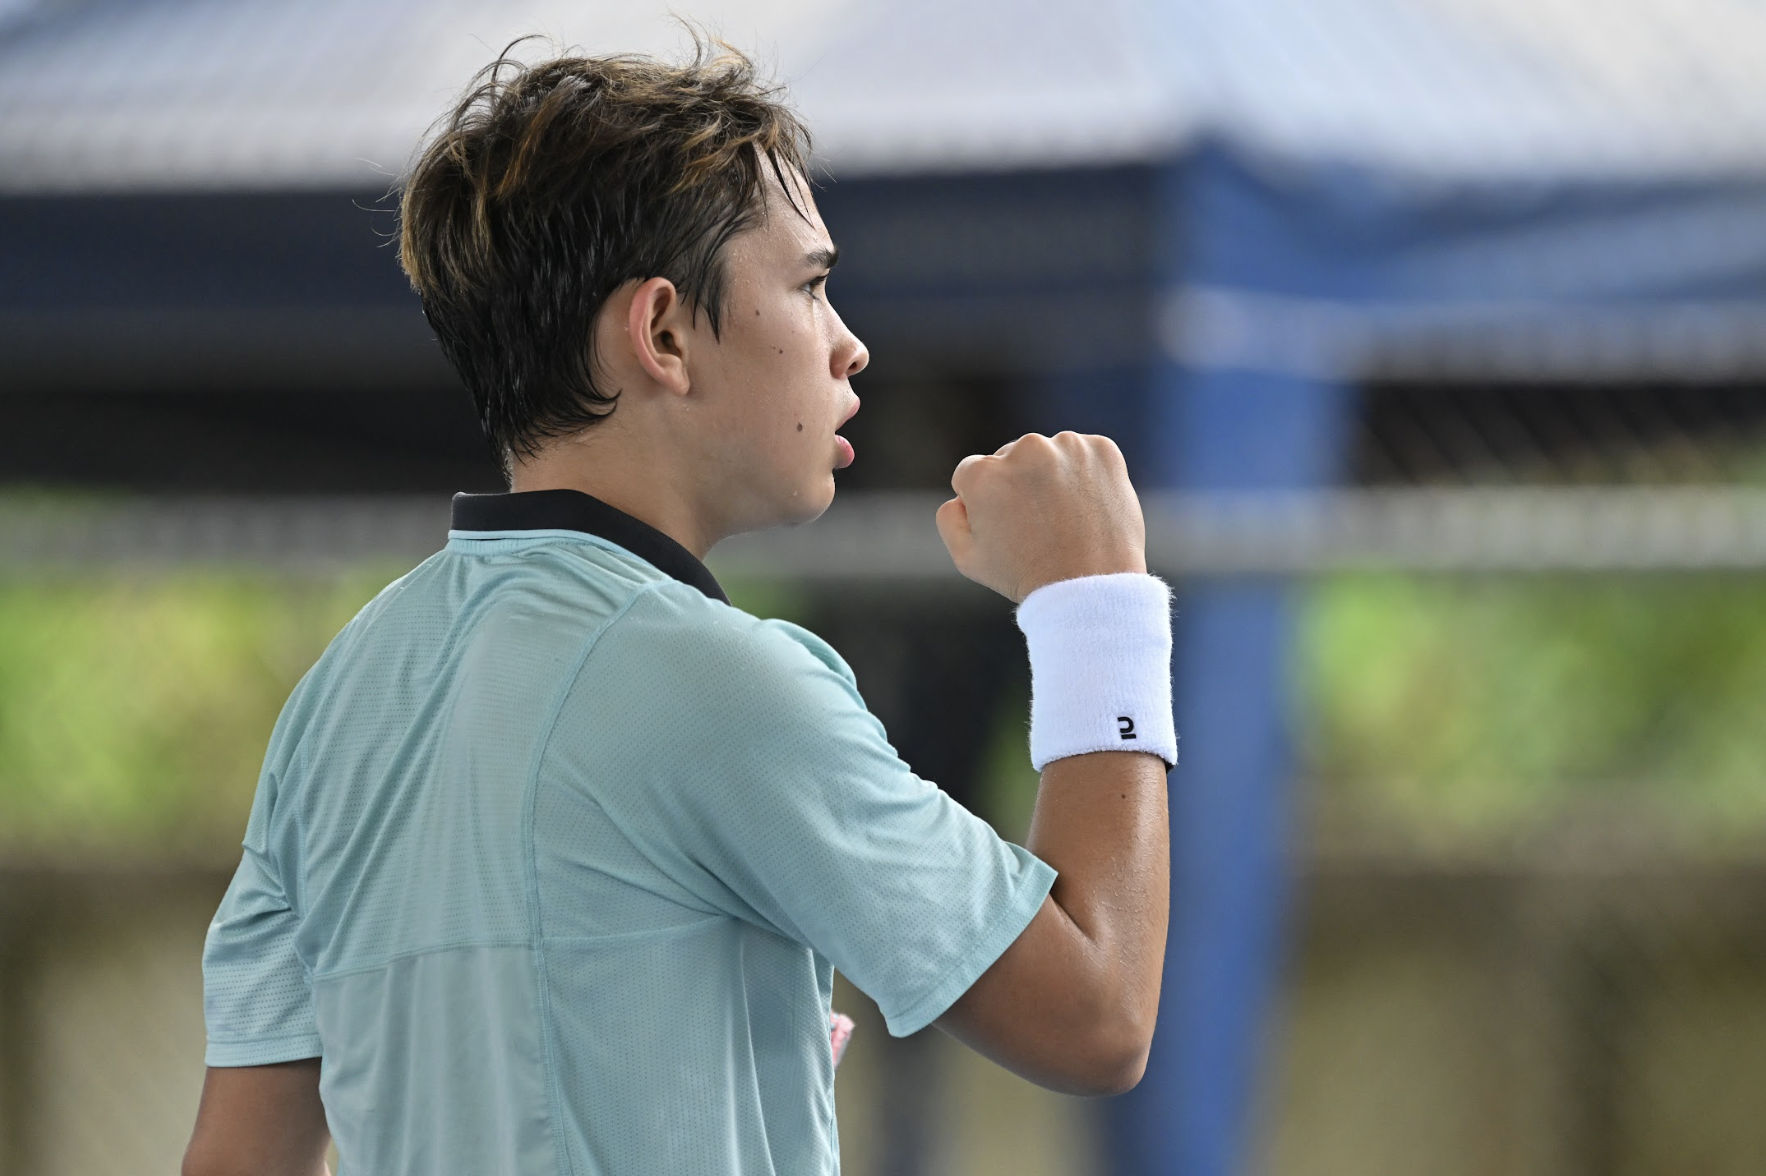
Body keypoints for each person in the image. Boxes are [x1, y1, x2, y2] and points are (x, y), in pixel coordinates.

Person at [182, 38, 1175, 1176]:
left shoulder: (337, 701)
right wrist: (1095, 603)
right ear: (661, 333)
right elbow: (1097, 1015)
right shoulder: (723, 685)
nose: (850, 344)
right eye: (809, 286)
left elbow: (236, 1162)